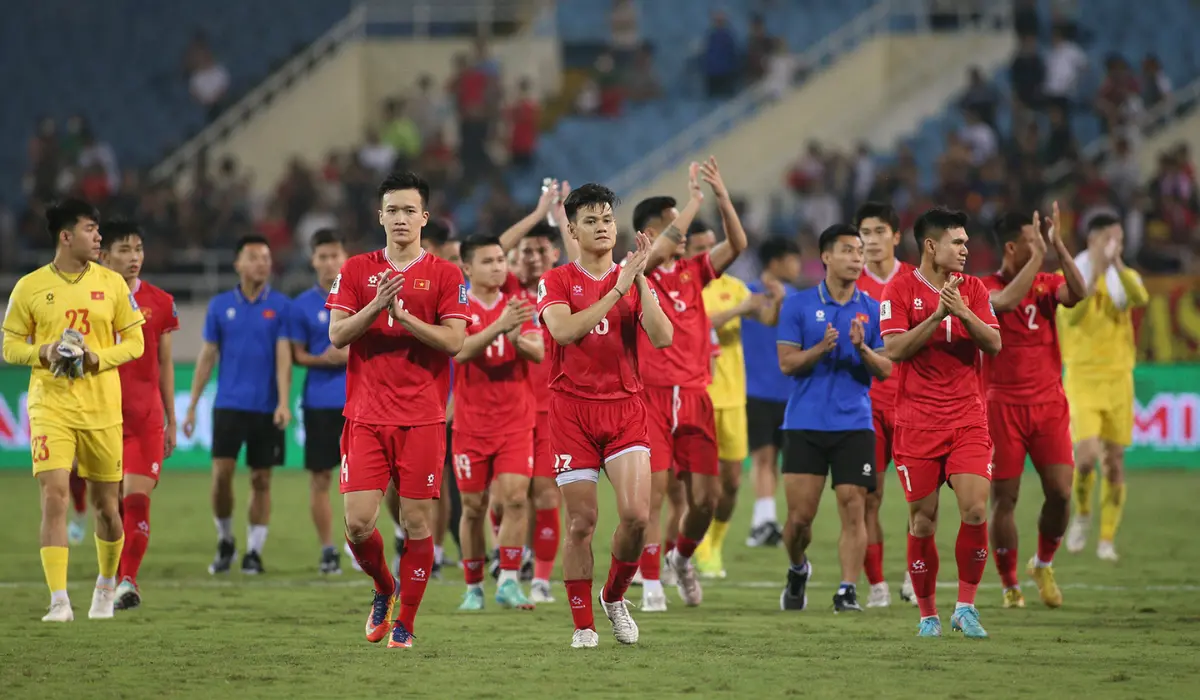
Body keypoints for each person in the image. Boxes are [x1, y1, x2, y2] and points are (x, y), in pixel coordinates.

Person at [327, 171, 469, 649]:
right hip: (365, 416)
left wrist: (405, 318)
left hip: (423, 418)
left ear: (424, 217)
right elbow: (337, 335)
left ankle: (405, 622)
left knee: (417, 525)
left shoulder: (447, 275)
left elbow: (454, 340)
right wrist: (377, 307)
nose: (402, 218)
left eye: (411, 210)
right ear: (380, 216)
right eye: (393, 210)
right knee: (358, 523)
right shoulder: (355, 270)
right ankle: (385, 588)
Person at [536, 184, 673, 648]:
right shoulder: (556, 281)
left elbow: (663, 337)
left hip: (625, 408)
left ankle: (614, 597)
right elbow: (563, 330)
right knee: (582, 522)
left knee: (636, 516)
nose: (602, 227)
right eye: (591, 221)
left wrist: (637, 282)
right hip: (571, 412)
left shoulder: (633, 278)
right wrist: (617, 288)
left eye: (608, 219)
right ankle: (583, 626)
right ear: (572, 230)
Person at [2, 198, 145, 621]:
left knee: (106, 507)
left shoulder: (113, 285)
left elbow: (134, 342)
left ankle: (104, 586)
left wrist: (98, 358)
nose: (99, 237)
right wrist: (43, 351)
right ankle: (59, 600)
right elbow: (9, 345)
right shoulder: (29, 287)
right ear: (66, 237)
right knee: (54, 497)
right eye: (90, 230)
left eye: (98, 230)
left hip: (101, 408)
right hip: (51, 406)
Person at [632, 158, 748, 611]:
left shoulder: (693, 271)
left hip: (697, 396)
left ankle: (681, 558)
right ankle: (652, 584)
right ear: (651, 232)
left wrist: (719, 195)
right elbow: (665, 243)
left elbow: (738, 243)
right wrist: (694, 199)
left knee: (706, 499)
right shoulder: (635, 271)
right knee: (654, 496)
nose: (680, 231)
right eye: (669, 224)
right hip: (653, 397)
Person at [880, 207, 1002, 638]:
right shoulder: (897, 291)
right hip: (916, 422)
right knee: (923, 522)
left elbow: (995, 343)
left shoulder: (976, 289)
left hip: (968, 417)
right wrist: (935, 316)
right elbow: (894, 351)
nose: (967, 249)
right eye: (958, 242)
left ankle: (965, 607)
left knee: (974, 508)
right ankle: (928, 615)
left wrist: (963, 312)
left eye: (967, 242)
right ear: (932, 246)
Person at [776, 223, 892, 612]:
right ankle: (797, 568)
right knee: (799, 520)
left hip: (854, 423)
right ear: (825, 256)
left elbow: (886, 369)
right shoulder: (797, 305)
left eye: (860, 252)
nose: (857, 257)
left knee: (853, 503)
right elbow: (787, 363)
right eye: (847, 250)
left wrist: (861, 348)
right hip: (805, 423)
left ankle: (847, 590)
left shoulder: (873, 310)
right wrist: (820, 349)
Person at [983, 206, 1087, 608]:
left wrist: (1058, 247)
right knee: (1004, 498)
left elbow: (1079, 292)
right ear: (1012, 247)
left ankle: (1042, 563)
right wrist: (1042, 257)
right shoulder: (983, 286)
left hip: (1048, 404)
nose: (1038, 246)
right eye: (1033, 240)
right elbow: (1006, 303)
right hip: (1001, 406)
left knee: (1062, 493)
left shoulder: (1047, 282)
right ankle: (1010, 585)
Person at [183, 235, 293, 576]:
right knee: (222, 475)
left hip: (266, 407)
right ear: (238, 264)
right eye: (254, 257)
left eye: (266, 257)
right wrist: (191, 406)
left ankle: (254, 552)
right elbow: (207, 357)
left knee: (262, 479)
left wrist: (284, 403)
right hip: (229, 405)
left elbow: (283, 358)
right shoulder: (219, 306)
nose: (262, 263)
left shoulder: (281, 306)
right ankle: (226, 539)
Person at [452, 234, 543, 611]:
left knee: (517, 499)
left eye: (501, 260)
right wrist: (499, 327)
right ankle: (473, 587)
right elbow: (459, 351)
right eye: (488, 261)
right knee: (473, 507)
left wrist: (515, 337)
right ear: (468, 268)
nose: (498, 267)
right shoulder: (456, 308)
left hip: (515, 420)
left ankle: (508, 580)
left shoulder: (521, 305)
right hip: (471, 424)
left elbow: (537, 351)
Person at [99, 221, 180, 611]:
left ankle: (127, 580)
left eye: (138, 249)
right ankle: (111, 579)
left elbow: (165, 363)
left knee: (135, 501)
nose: (134, 258)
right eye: (125, 250)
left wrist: (171, 418)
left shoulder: (161, 302)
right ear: (104, 256)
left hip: (144, 417)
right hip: (100, 416)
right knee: (108, 506)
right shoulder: (91, 302)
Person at [1060, 214, 1149, 562]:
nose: (1117, 246)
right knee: (1085, 459)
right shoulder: (1070, 276)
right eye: (1111, 240)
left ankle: (1107, 538)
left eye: (1120, 240)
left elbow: (1139, 298)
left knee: (1114, 463)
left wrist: (1116, 264)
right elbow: (1073, 316)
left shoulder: (1123, 278)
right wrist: (1095, 272)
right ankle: (1082, 515)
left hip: (1118, 379)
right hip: (1082, 377)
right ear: (1093, 240)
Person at [689, 220, 768, 579]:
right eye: (701, 246)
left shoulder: (733, 286)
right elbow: (702, 323)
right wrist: (741, 309)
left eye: (712, 245)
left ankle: (715, 543)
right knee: (698, 483)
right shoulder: (686, 287)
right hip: (697, 396)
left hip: (734, 397)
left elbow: (765, 316)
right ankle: (698, 547)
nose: (710, 253)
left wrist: (774, 301)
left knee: (733, 482)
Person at [853, 202, 917, 608]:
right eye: (865, 233)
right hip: (866, 408)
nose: (872, 241)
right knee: (867, 497)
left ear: (896, 235)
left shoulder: (917, 280)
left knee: (919, 498)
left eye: (879, 232)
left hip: (913, 404)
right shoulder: (849, 284)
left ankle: (915, 574)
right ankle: (876, 585)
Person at [287, 229, 349, 575]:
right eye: (322, 256)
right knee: (321, 479)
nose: (329, 263)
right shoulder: (301, 305)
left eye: (334, 255)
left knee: (374, 480)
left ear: (345, 257)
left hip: (360, 402)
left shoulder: (362, 297)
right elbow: (296, 354)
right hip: (318, 402)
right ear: (313, 260)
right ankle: (328, 549)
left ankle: (373, 541)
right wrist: (324, 359)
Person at [741, 239, 794, 546]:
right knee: (763, 457)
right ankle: (765, 520)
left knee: (782, 463)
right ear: (775, 262)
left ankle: (766, 520)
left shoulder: (799, 297)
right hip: (756, 390)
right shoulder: (746, 294)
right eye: (792, 259)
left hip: (789, 392)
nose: (797, 267)